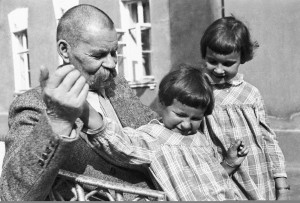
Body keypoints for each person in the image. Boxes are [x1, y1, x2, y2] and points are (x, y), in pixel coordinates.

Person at [0, 4, 159, 201]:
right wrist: (58, 120)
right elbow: (13, 194)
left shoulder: (119, 87)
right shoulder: (33, 105)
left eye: (113, 52)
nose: (111, 63)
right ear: (65, 50)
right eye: (99, 55)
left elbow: (158, 135)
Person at [80, 64, 249, 201]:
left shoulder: (200, 139)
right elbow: (119, 141)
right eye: (180, 115)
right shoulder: (154, 138)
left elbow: (214, 181)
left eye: (196, 118)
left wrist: (229, 163)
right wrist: (82, 107)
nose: (186, 124)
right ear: (162, 103)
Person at [199, 16, 290, 200]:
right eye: (212, 61)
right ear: (204, 55)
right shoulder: (199, 92)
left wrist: (282, 184)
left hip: (258, 179)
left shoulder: (251, 94)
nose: (218, 69)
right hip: (223, 180)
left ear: (242, 58)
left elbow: (268, 139)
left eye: (227, 63)